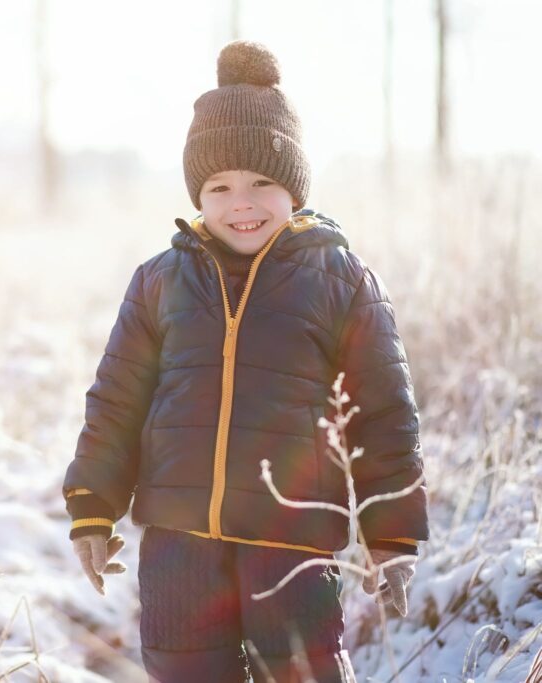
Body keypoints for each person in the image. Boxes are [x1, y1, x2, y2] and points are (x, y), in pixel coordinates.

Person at [61, 41, 429, 683]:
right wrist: (93, 507)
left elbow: (385, 415)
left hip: (292, 542)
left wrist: (391, 537)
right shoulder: (160, 281)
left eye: (264, 183)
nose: (243, 203)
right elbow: (116, 401)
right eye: (220, 187)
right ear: (198, 195)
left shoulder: (339, 280)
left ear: (296, 188)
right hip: (180, 546)